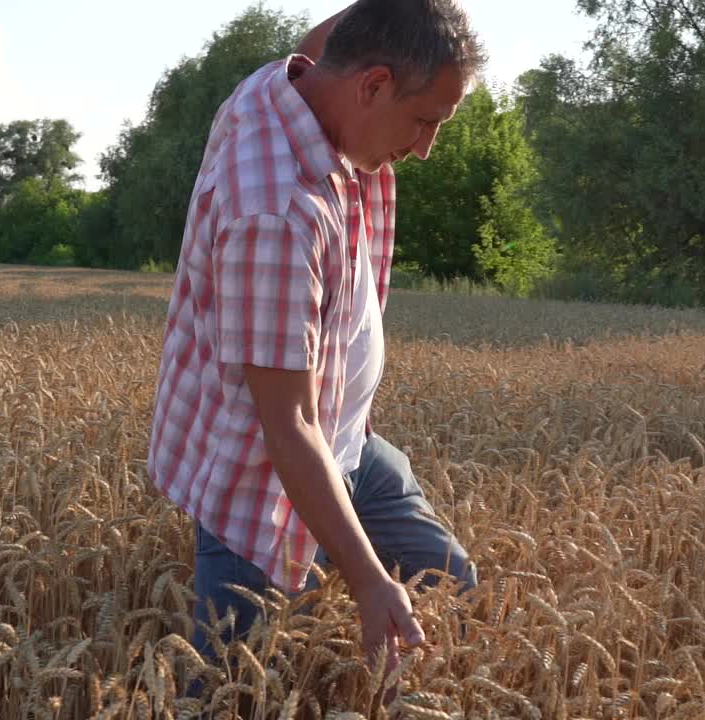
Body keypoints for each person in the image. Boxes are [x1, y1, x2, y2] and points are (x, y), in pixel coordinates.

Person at [146, 0, 486, 676]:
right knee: (236, 686)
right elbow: (289, 423)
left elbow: (336, 34)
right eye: (425, 121)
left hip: (348, 443)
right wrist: (365, 579)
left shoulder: (301, 81)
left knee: (452, 588)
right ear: (373, 84)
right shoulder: (274, 211)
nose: (426, 149)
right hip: (262, 478)